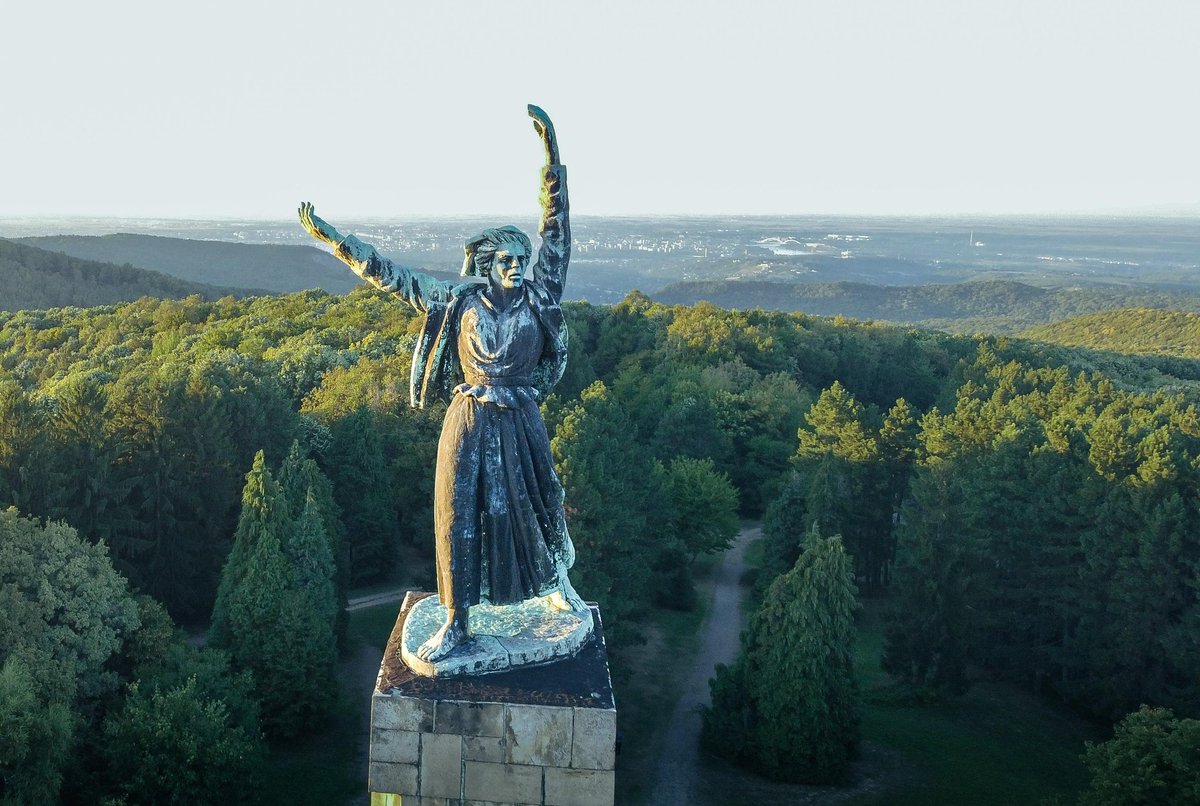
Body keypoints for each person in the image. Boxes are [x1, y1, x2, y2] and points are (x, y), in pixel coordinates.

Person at [298, 105, 583, 663]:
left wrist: (552, 157)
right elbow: (391, 276)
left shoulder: (539, 297)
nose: (517, 265)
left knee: (538, 504)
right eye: (506, 259)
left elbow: (557, 234)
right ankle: (457, 620)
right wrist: (334, 241)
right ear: (487, 263)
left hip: (520, 419)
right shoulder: (458, 301)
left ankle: (555, 584)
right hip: (469, 419)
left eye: (521, 258)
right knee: (455, 513)